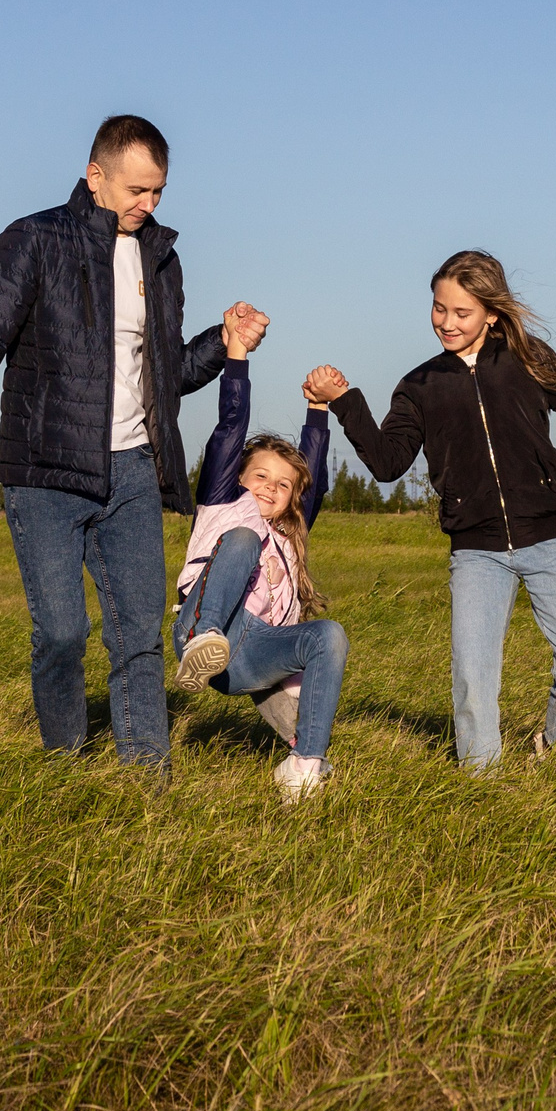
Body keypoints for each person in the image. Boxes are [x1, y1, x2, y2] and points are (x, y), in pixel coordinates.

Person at [0, 114, 269, 774]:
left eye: (158, 191)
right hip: (45, 472)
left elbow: (163, 375)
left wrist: (223, 348)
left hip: (132, 471)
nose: (148, 204)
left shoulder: (159, 258)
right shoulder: (32, 240)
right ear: (95, 176)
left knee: (137, 639)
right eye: (136, 190)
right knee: (62, 633)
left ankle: (146, 786)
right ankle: (64, 764)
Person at [313, 250, 556, 771]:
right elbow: (389, 463)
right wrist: (345, 399)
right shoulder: (419, 386)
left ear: (492, 313)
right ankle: (481, 782)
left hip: (548, 536)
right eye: (439, 309)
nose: (447, 323)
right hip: (476, 549)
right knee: (473, 680)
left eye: (462, 312)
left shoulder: (527, 359)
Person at [170, 312, 350, 802]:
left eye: (283, 484)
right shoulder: (225, 505)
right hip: (207, 630)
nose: (271, 487)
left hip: (250, 655)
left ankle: (304, 765)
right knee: (245, 542)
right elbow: (232, 425)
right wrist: (237, 355)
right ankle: (200, 643)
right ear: (238, 479)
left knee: (328, 634)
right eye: (260, 476)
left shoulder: (291, 533)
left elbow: (309, 472)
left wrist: (317, 409)